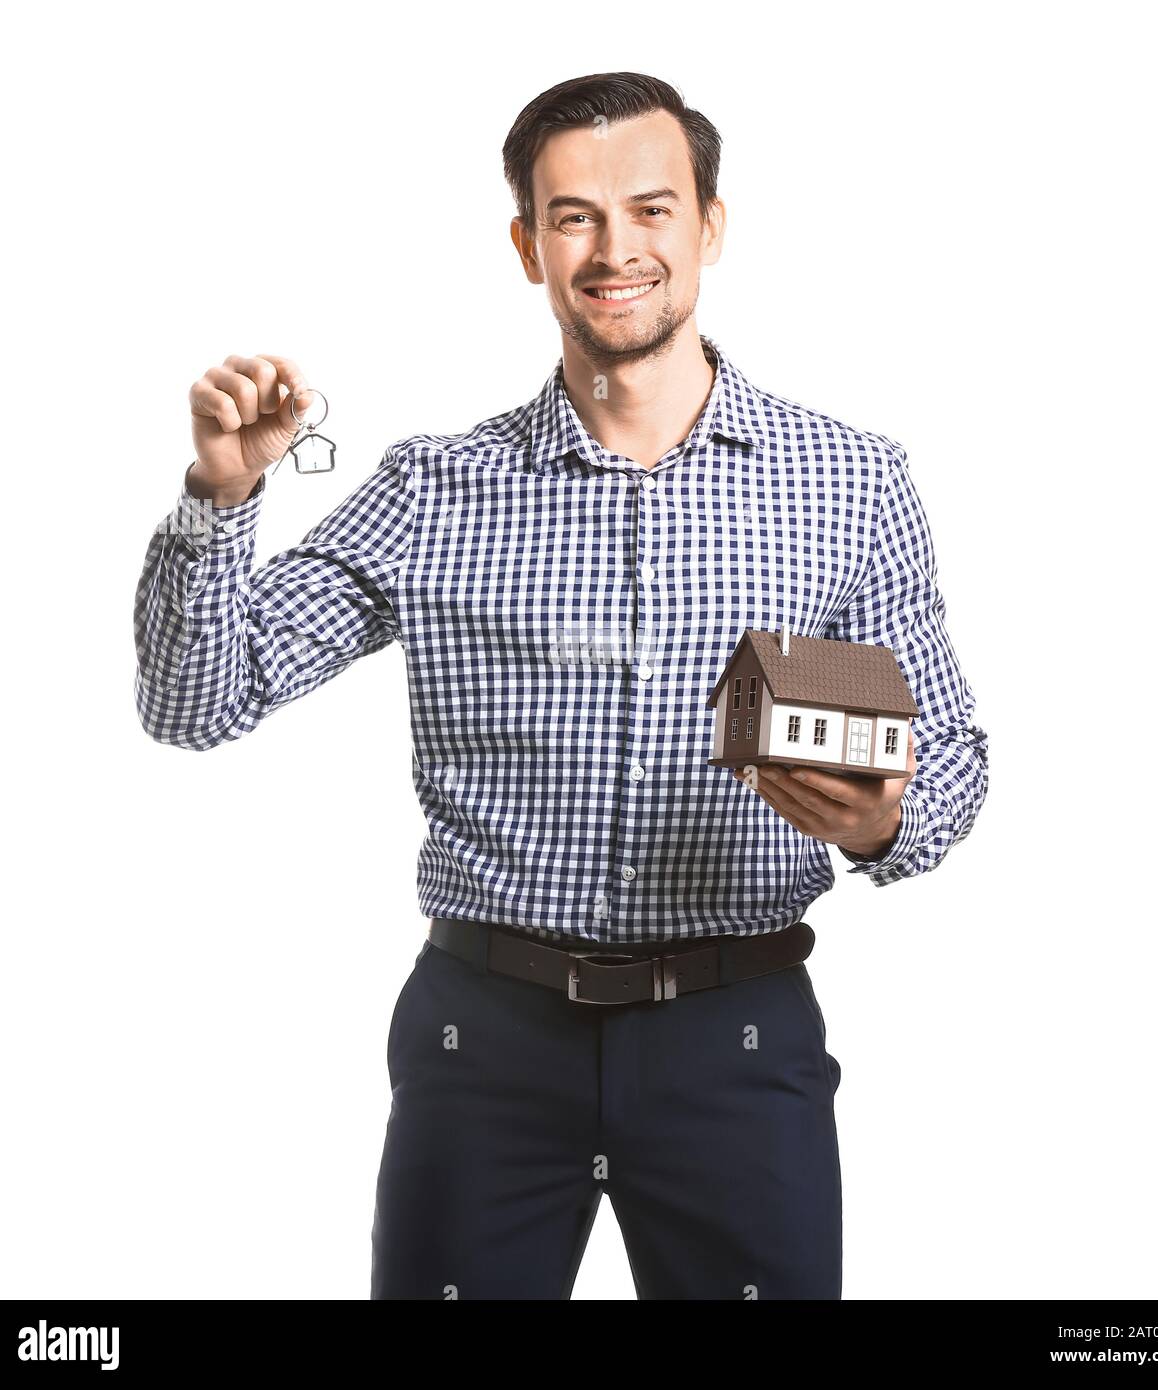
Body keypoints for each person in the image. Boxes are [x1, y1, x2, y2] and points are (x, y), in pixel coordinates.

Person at [133, 71, 989, 1300]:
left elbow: (949, 756)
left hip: (736, 1036)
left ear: (709, 225)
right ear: (528, 246)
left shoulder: (851, 479)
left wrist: (888, 815)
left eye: (651, 208)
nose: (615, 247)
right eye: (574, 216)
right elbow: (196, 701)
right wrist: (220, 500)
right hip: (484, 1033)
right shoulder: (436, 486)